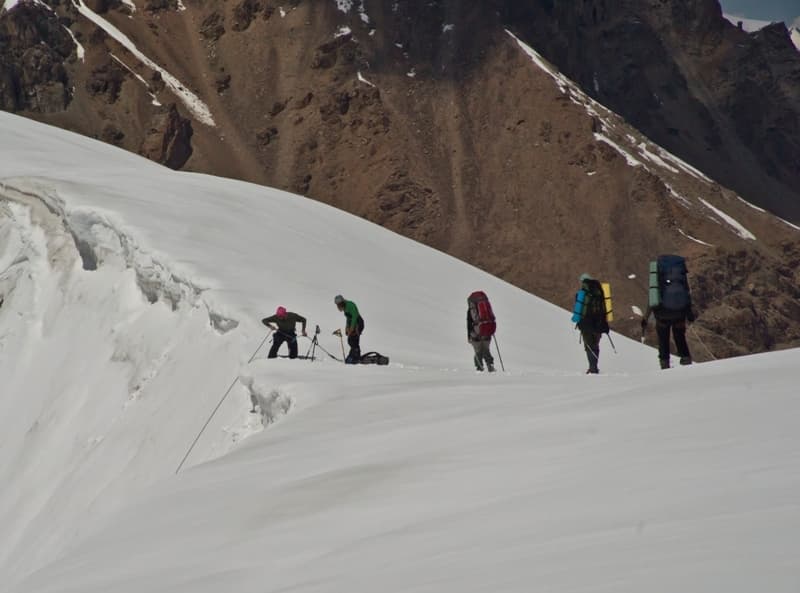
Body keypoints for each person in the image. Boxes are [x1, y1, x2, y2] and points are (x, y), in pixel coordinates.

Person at [574, 273, 609, 374]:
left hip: (586, 323)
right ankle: (594, 367)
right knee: (596, 345)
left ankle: (592, 368)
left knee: (589, 346)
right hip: (600, 323)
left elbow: (578, 311)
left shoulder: (582, 293)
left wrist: (577, 321)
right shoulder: (600, 292)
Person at [641, 304, 695, 369]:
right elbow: (686, 299)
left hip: (662, 316)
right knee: (680, 337)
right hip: (679, 315)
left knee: (663, 340)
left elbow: (652, 301)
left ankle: (664, 363)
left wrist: (645, 318)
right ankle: (686, 360)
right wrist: (689, 315)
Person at [467, 291, 496, 372]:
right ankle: (490, 365)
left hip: (476, 332)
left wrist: (469, 336)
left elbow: (469, 323)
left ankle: (479, 368)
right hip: (488, 330)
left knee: (478, 351)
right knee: (486, 349)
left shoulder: (470, 311)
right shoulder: (486, 307)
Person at [334, 294, 364, 364]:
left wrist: (352, 328)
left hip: (358, 323)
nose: (337, 307)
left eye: (338, 305)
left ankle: (355, 356)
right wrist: (347, 328)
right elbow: (348, 318)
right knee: (350, 340)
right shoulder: (345, 309)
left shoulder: (350, 305)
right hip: (353, 324)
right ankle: (354, 355)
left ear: (341, 303)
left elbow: (354, 317)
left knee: (353, 339)